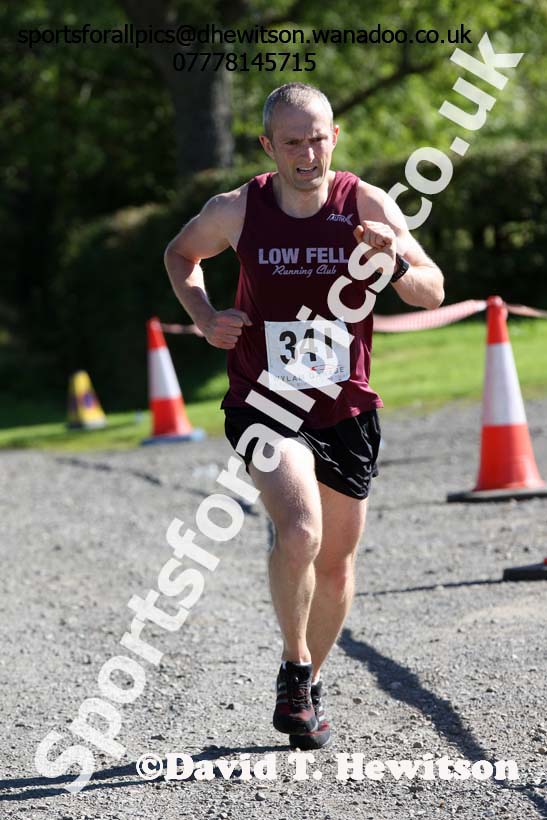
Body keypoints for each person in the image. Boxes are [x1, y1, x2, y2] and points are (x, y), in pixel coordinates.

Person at [164, 83, 444, 750]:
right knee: (298, 531)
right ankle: (293, 665)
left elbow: (431, 287)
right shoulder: (238, 208)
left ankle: (307, 687)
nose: (307, 152)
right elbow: (181, 254)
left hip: (344, 406)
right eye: (292, 141)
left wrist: (395, 259)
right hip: (264, 402)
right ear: (268, 146)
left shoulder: (365, 202)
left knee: (338, 564)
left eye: (317, 137)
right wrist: (205, 317)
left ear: (334, 137)